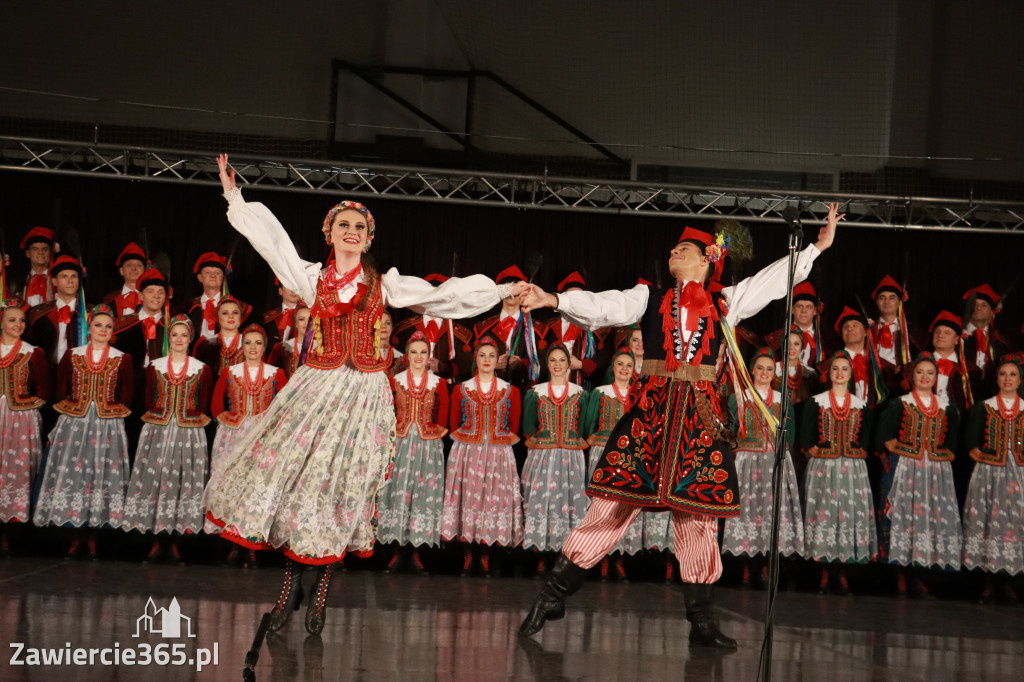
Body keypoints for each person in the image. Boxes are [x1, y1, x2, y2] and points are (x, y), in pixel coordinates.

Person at [203, 154, 515, 636]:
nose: (351, 232)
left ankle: (320, 597)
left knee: (341, 493)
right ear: (329, 234)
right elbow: (272, 244)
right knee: (302, 489)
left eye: (359, 227)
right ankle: (288, 594)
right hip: (318, 390)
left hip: (364, 396)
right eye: (343, 224)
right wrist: (233, 196)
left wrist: (499, 291)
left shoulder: (384, 285)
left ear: (369, 239)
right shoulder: (312, 278)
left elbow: (444, 296)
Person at [516, 206, 841, 648]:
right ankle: (553, 593)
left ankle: (702, 619)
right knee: (612, 504)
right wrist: (555, 300)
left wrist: (815, 248)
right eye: (673, 247)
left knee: (699, 516)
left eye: (683, 248)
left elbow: (770, 280)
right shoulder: (650, 297)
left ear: (707, 259)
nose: (673, 251)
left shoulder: (727, 301)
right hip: (652, 413)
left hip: (698, 420)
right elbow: (605, 305)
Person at [32, 304, 133, 559]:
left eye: (108, 327)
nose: (103, 330)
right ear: (90, 328)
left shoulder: (122, 358)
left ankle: (94, 538)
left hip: (107, 424)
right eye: (99, 325)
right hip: (76, 423)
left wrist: (111, 410)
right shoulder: (73, 354)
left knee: (101, 475)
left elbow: (127, 393)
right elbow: (61, 387)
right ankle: (75, 536)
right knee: (76, 475)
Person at [122, 315, 214, 562]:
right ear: (169, 338)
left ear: (190, 338)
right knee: (157, 481)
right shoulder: (156, 366)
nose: (180, 339)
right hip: (159, 430)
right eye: (175, 335)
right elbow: (150, 399)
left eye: (184, 335)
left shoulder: (201, 368)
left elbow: (203, 402)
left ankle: (175, 540)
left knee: (182, 483)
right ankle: (155, 539)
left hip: (188, 432)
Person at [876, 354, 961, 597]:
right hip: (905, 467)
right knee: (904, 517)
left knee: (928, 519)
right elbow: (885, 438)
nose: (925, 377)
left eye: (930, 373)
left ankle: (920, 576)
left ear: (936, 378)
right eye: (920, 372)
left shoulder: (947, 408)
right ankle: (901, 577)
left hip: (934, 472)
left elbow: (952, 445)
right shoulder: (899, 404)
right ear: (912, 376)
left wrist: (940, 457)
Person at [441, 337, 523, 577]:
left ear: (497, 361)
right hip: (467, 453)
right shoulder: (462, 389)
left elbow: (514, 426)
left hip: (498, 453)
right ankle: (468, 555)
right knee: (469, 500)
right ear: (475, 359)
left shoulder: (510, 391)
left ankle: (486, 555)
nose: (487, 360)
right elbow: (454, 423)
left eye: (491, 356)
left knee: (492, 500)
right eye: (482, 355)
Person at [206, 323, 287, 564]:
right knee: (232, 488)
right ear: (243, 346)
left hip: (262, 440)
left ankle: (250, 543)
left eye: (258, 343)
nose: (253, 347)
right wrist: (229, 422)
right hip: (233, 437)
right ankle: (232, 544)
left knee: (254, 491)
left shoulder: (276, 373)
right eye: (249, 343)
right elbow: (216, 406)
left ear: (265, 347)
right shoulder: (230, 372)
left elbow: (284, 407)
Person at [722, 348, 802, 587]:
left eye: (769, 369)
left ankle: (767, 568)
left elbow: (791, 434)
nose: (764, 373)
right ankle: (746, 568)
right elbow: (731, 431)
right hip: (748, 461)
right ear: (752, 371)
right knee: (748, 511)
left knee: (772, 513)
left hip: (774, 463)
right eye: (760, 368)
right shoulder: (739, 396)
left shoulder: (782, 399)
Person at [800, 351, 876, 594]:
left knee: (847, 514)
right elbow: (807, 432)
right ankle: (822, 571)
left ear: (851, 374)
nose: (840, 373)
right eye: (835, 369)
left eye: (844, 369)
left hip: (852, 469)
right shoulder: (817, 401)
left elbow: (865, 437)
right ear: (829, 373)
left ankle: (843, 572)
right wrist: (812, 449)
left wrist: (859, 451)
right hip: (824, 466)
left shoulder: (860, 404)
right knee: (824, 513)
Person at [377, 331, 448, 574]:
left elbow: (443, 417)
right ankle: (395, 551)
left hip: (428, 446)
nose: (418, 356)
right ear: (406, 355)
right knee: (398, 493)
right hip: (400, 444)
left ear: (429, 356)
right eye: (414, 352)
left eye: (423, 352)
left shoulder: (438, 383)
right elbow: (386, 413)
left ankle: (416, 552)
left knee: (422, 495)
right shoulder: (394, 381)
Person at [521, 343, 589, 571]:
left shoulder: (580, 394)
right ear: (547, 365)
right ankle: (541, 552)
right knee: (544, 501)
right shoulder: (535, 393)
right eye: (553, 360)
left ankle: (566, 556)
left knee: (569, 502)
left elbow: (584, 427)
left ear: (569, 365)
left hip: (571, 457)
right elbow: (528, 426)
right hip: (543, 456)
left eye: (562, 360)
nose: (558, 364)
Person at [961, 357, 1024, 603]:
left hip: (1018, 473)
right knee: (987, 521)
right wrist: (979, 454)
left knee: (1014, 524)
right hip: (990, 473)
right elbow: (971, 440)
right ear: (997, 378)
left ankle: (1009, 581)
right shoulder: (984, 407)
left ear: (1019, 380)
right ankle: (987, 582)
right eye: (1003, 374)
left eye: (1012, 375)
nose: (1007, 379)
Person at [582, 347, 643, 581]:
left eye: (629, 365)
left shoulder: (639, 396)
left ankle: (618, 560)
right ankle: (599, 559)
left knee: (623, 507)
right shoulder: (600, 392)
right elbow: (589, 424)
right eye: (620, 365)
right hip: (604, 452)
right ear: (613, 368)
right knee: (601, 506)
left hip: (628, 455)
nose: (625, 369)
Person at [0, 299, 49, 555]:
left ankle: (10, 532)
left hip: (20, 420)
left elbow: (43, 389)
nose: (18, 324)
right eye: (12, 320)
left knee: (16, 473)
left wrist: (29, 408)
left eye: (21, 320)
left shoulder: (32, 352)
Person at [26, 254, 86, 371]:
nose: (70, 281)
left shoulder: (88, 314)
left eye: (74, 276)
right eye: (64, 276)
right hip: (47, 376)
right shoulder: (38, 315)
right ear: (54, 281)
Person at [187, 252, 253, 340]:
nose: (213, 275)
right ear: (200, 277)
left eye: (217, 272)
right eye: (207, 272)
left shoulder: (240, 309)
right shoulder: (188, 308)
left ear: (223, 277)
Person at [961, 284, 1010, 399]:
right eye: (975, 304)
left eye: (984, 305)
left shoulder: (1000, 343)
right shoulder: (956, 337)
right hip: (962, 398)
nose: (978, 308)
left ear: (992, 312)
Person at [193, 297, 245, 374]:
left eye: (235, 313)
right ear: (217, 316)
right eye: (225, 313)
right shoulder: (206, 343)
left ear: (240, 316)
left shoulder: (249, 342)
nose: (231, 316)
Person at [103, 243, 147, 316]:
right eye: (129, 265)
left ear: (144, 270)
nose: (134, 268)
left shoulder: (152, 299)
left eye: (138, 265)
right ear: (121, 271)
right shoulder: (109, 300)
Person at [267, 304, 311, 379]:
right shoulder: (282, 348)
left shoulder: (321, 349)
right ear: (296, 323)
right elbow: (271, 376)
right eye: (301, 319)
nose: (306, 323)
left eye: (310, 319)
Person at [20, 227, 56, 307]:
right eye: (35, 249)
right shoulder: (18, 282)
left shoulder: (57, 281)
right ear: (28, 253)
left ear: (50, 253)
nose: (41, 252)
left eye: (45, 249)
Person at [262, 278, 304, 346]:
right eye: (289, 286)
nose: (293, 291)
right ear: (280, 291)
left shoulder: (311, 318)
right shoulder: (268, 318)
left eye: (297, 286)